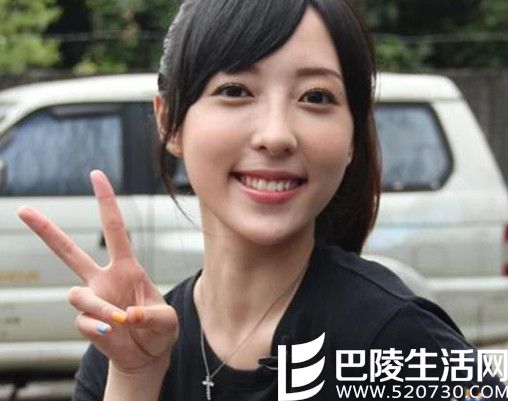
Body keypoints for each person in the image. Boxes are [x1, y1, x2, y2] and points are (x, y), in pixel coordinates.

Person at [17, 0, 506, 400]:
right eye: (235, 90)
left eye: (316, 97)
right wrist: (136, 378)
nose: (276, 136)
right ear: (170, 122)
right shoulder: (123, 352)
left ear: (354, 137)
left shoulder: (393, 340)